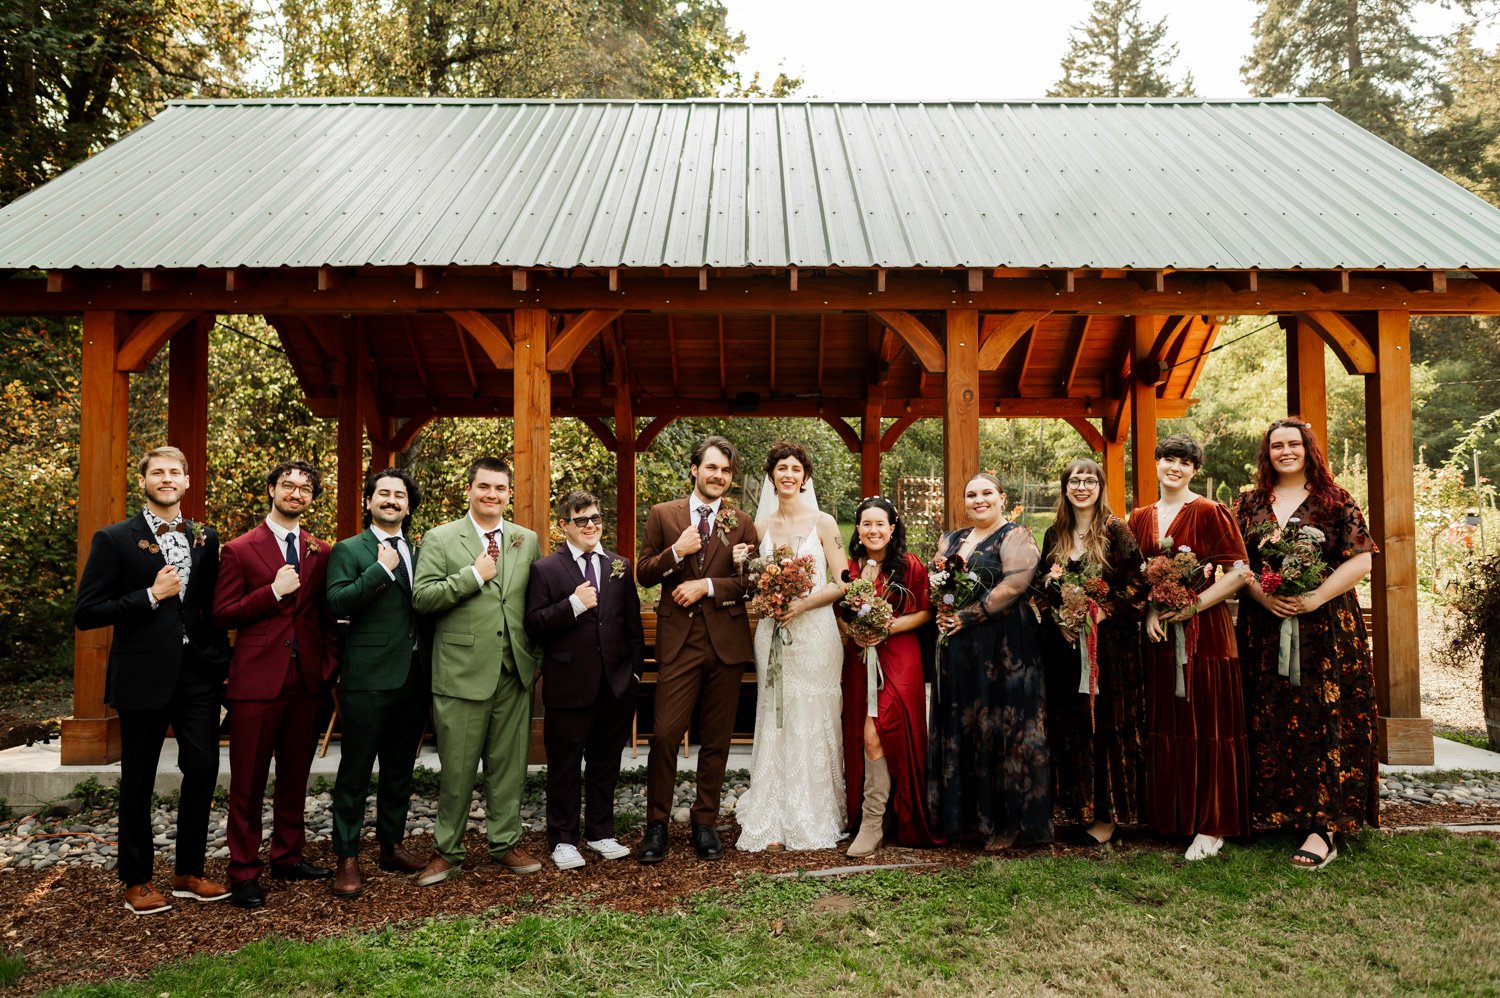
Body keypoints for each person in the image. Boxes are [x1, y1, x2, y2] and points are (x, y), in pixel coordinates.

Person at [74, 446, 231, 915]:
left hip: (196, 675)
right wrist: (149, 595)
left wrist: (218, 662)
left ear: (187, 481)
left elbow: (207, 608)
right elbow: (87, 613)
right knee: (138, 779)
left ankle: (188, 871)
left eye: (175, 472)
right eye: (157, 472)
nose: (167, 478)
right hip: (142, 674)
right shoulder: (115, 538)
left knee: (203, 769)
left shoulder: (206, 537)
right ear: (143, 481)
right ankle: (137, 879)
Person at [1235, 418, 1379, 869]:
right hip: (1266, 624)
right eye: (1277, 445)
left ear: (1308, 449)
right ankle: (1275, 812)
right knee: (1269, 711)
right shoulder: (1249, 503)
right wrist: (1261, 594)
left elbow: (1361, 559)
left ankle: (1324, 827)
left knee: (1321, 717)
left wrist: (1315, 596)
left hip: (1325, 628)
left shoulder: (1335, 501)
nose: (1285, 451)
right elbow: (1237, 561)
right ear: (1267, 453)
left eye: (1293, 444)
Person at [410, 457, 543, 885]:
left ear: (509, 494)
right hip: (461, 672)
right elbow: (423, 598)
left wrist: (532, 659)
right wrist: (471, 575)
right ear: (469, 490)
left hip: (514, 672)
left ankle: (504, 843)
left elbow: (533, 605)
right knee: (458, 769)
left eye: (500, 488)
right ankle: (448, 850)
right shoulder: (441, 538)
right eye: (484, 487)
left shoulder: (527, 539)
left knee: (509, 767)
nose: (492, 495)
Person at [214, 460, 339, 909]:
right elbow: (223, 613)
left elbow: (325, 618)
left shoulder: (320, 551)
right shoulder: (239, 549)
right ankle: (244, 871)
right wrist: (272, 592)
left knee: (294, 777)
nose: (296, 493)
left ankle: (287, 856)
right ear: (271, 489)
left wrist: (326, 667)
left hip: (306, 681)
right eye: (288, 485)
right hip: (255, 682)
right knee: (247, 781)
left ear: (311, 498)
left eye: (305, 488)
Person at [1126, 434, 1252, 862]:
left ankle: (1211, 824)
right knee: (1168, 721)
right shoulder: (1140, 517)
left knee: (1207, 722)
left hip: (1206, 632)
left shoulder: (1210, 511)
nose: (1174, 468)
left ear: (1194, 470)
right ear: (1156, 463)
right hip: (1160, 635)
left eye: (1184, 462)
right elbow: (1133, 580)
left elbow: (1239, 572)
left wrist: (1194, 604)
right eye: (1168, 460)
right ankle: (1173, 816)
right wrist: (1149, 612)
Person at [635, 435, 759, 863]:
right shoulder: (662, 515)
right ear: (694, 470)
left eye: (725, 471)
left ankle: (705, 821)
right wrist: (677, 552)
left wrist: (707, 585)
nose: (718, 476)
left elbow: (753, 582)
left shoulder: (741, 521)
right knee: (666, 734)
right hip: (679, 643)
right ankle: (657, 825)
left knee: (717, 739)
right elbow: (644, 572)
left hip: (726, 642)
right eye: (711, 468)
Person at [733, 441, 849, 852]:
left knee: (813, 713)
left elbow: (842, 582)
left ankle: (815, 812)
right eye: (781, 467)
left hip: (816, 633)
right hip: (772, 634)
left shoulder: (826, 523)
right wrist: (743, 567)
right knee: (775, 714)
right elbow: (748, 584)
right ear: (771, 476)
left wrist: (802, 602)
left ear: (805, 477)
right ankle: (772, 814)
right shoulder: (759, 528)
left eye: (795, 468)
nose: (788, 474)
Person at [323, 468, 431, 898]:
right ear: (368, 501)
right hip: (368, 676)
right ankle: (346, 856)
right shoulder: (349, 549)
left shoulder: (422, 551)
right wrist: (379, 572)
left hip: (415, 675)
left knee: (400, 769)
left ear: (409, 505)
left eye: (399, 495)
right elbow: (335, 603)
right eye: (383, 494)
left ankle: (391, 845)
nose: (391, 500)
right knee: (355, 769)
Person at [524, 490, 645, 870]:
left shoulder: (619, 565)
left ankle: (600, 832)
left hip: (615, 685)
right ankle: (562, 838)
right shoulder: (547, 569)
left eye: (595, 518)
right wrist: (574, 604)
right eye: (581, 520)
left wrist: (635, 674)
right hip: (568, 685)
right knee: (564, 765)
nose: (591, 525)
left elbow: (632, 626)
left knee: (605, 763)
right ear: (564, 526)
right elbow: (534, 622)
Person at [931, 473, 1052, 849]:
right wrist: (943, 610)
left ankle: (1009, 825)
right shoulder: (950, 539)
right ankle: (966, 820)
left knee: (1004, 726)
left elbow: (1015, 585)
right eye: (971, 494)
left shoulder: (1016, 536)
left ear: (1002, 497)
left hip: (1005, 647)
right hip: (960, 648)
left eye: (987, 493)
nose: (979, 500)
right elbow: (940, 582)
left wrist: (968, 615)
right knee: (967, 724)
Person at [1034, 459, 1146, 847]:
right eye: (1074, 481)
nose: (1081, 487)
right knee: (1070, 724)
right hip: (1063, 646)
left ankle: (1107, 817)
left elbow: (1137, 586)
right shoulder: (1055, 533)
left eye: (1089, 480)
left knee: (1105, 727)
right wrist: (1058, 613)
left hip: (1108, 649)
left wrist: (1100, 612)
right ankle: (1074, 807)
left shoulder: (1116, 531)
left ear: (1100, 486)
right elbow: (1040, 586)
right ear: (1064, 488)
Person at [839, 495, 939, 858]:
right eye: (866, 524)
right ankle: (876, 821)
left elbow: (925, 612)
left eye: (880, 523)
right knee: (866, 733)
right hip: (860, 657)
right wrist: (854, 631)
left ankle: (874, 822)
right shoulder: (851, 568)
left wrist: (887, 627)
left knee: (878, 729)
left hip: (899, 655)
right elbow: (841, 612)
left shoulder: (910, 566)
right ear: (859, 530)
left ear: (892, 528)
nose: (873, 530)